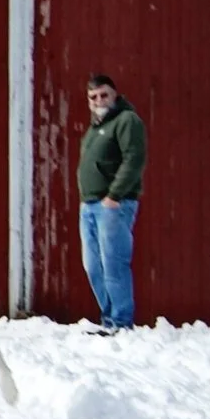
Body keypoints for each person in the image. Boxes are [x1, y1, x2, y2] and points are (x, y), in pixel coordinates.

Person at [77, 73, 148, 334]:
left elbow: (134, 159)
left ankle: (120, 321)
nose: (99, 100)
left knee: (113, 263)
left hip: (113, 206)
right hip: (89, 206)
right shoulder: (96, 127)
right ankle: (109, 318)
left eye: (104, 94)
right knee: (92, 265)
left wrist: (114, 196)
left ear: (115, 95)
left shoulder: (126, 121)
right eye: (93, 97)